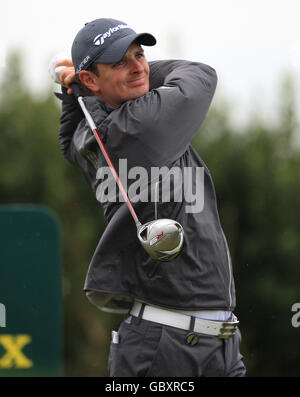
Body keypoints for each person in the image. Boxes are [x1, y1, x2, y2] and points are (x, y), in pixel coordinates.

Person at [55, 18, 246, 377]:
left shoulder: (91, 138)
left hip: (206, 342)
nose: (137, 66)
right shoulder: (144, 123)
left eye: (140, 55)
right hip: (169, 346)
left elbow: (69, 141)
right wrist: (89, 84)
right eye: (119, 62)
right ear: (92, 80)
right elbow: (200, 75)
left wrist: (80, 91)